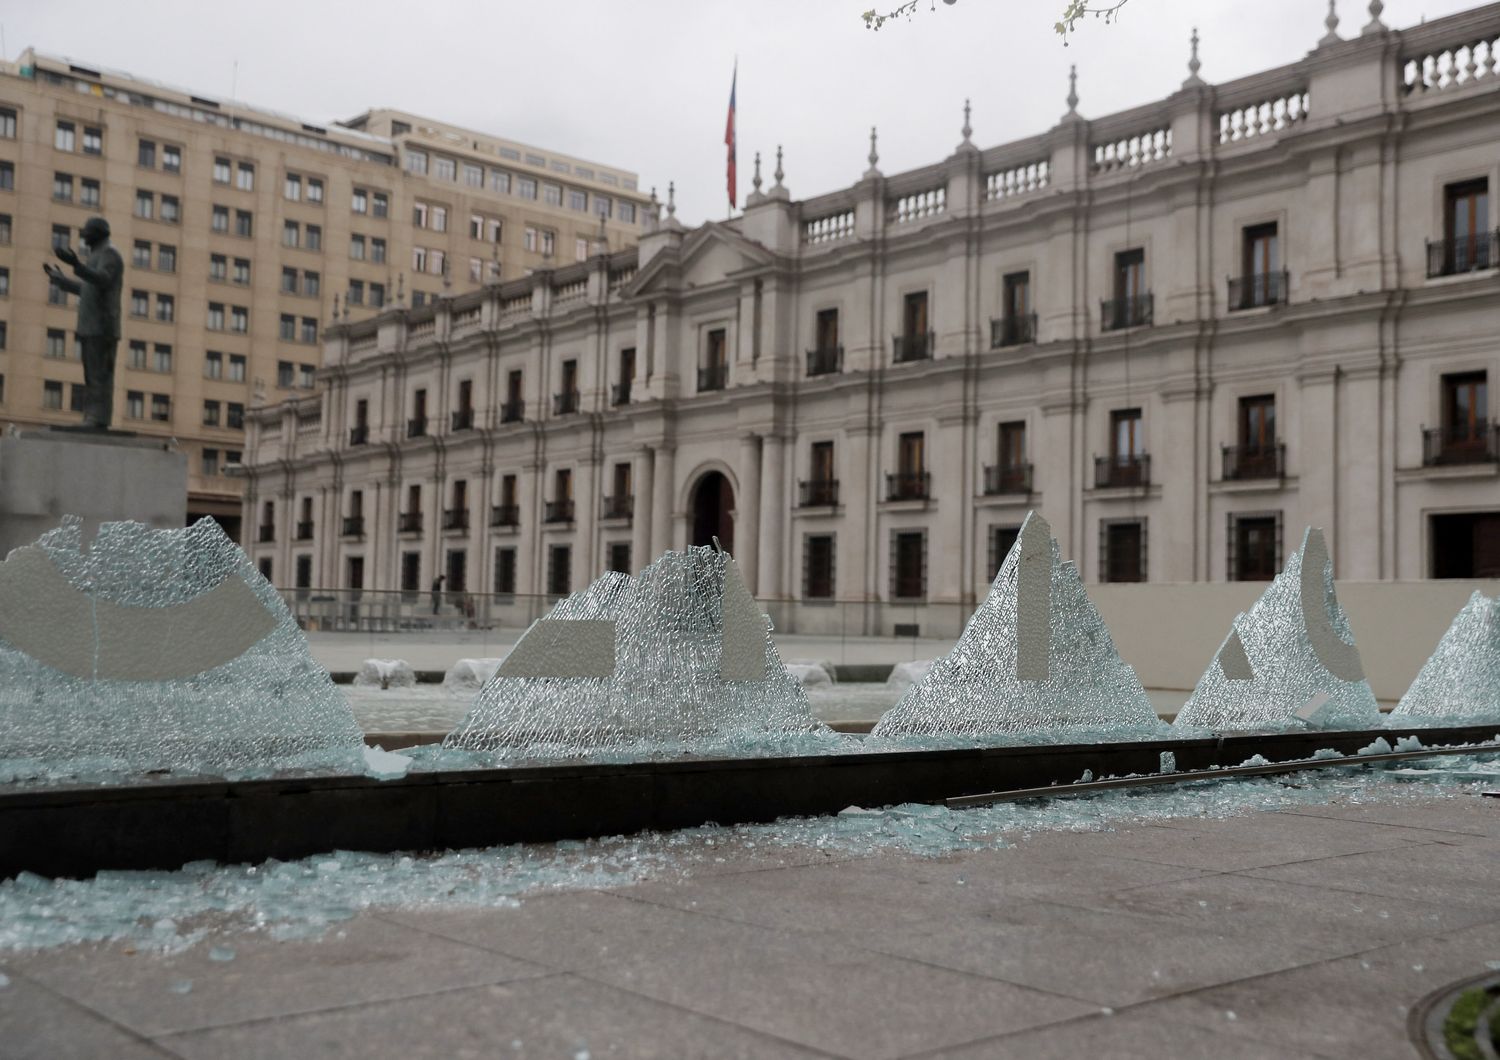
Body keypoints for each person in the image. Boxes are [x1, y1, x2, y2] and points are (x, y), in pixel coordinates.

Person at [42, 217, 124, 429]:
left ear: (99, 233)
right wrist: (63, 281)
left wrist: (76, 264)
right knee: (92, 375)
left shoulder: (110, 253)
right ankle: (93, 416)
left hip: (102, 326)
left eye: (87, 231)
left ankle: (97, 418)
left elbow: (103, 280)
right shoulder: (97, 255)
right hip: (91, 325)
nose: (84, 235)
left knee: (98, 376)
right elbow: (88, 289)